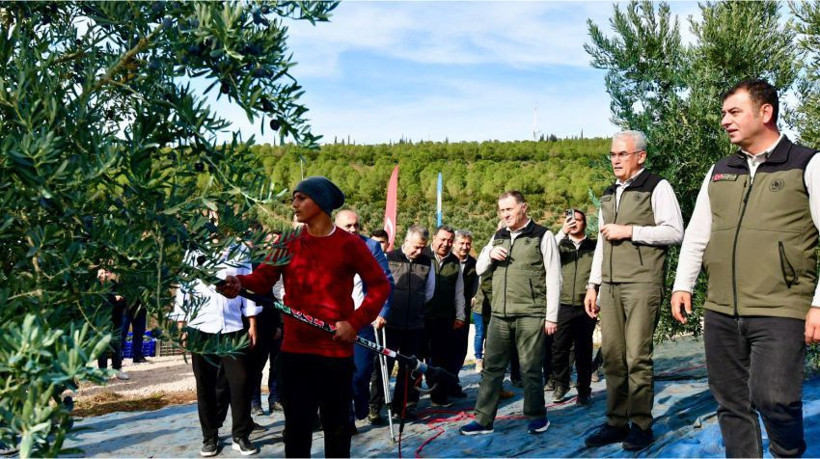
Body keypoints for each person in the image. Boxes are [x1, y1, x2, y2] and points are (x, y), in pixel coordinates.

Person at [671, 79, 820, 458]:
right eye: (724, 113)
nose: (725, 120)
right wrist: (682, 284)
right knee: (730, 401)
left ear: (765, 112)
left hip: (781, 307)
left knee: (774, 396)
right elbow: (697, 233)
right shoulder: (720, 170)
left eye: (734, 112)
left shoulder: (806, 164)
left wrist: (819, 303)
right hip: (721, 308)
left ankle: (788, 451)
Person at [219, 176, 390, 458]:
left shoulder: (350, 244)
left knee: (337, 429)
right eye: (294, 198)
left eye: (301, 198)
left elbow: (380, 285)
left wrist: (355, 322)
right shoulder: (288, 241)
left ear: (320, 202)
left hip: (336, 354)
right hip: (295, 353)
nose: (294, 204)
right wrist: (240, 282)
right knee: (297, 431)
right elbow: (263, 279)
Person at [584, 130, 684, 451]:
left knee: (637, 357)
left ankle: (641, 425)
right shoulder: (608, 193)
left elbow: (675, 232)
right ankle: (616, 422)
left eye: (622, 154)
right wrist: (593, 285)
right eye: (612, 154)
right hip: (611, 285)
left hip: (642, 282)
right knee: (612, 358)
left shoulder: (657, 186)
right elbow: (602, 243)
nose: (615, 160)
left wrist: (630, 231)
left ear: (640, 156)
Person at [460, 190, 561, 436]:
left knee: (530, 368)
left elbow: (554, 277)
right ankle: (483, 420)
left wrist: (551, 316)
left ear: (523, 207)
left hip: (531, 313)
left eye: (509, 209)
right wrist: (489, 253)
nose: (505, 214)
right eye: (502, 210)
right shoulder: (498, 235)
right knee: (491, 368)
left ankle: (537, 417)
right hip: (499, 314)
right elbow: (480, 268)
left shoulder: (542, 235)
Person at [171, 245, 260, 457]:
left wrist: (252, 322)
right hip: (201, 328)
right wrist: (182, 327)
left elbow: (247, 287)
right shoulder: (193, 251)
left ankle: (240, 435)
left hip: (233, 327)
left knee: (240, 381)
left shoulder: (240, 249)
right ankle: (210, 437)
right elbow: (184, 289)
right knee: (205, 384)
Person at [334, 209, 394, 429]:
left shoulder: (370, 246)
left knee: (360, 373)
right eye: (348, 226)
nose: (353, 230)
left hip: (361, 320)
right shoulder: (325, 246)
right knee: (337, 374)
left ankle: (361, 403)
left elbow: (385, 281)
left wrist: (381, 312)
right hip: (332, 321)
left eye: (356, 225)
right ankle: (346, 419)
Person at [369, 225, 435, 422]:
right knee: (383, 366)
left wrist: (417, 306)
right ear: (406, 241)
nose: (419, 251)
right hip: (389, 323)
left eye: (423, 247)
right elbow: (378, 287)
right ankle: (375, 406)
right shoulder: (388, 258)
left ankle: (403, 406)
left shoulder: (427, 262)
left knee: (409, 368)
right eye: (416, 246)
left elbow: (429, 292)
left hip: (414, 325)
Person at [551, 209, 596, 405]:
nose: (574, 223)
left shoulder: (594, 246)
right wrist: (562, 232)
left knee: (584, 350)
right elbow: (544, 252)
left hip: (586, 305)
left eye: (578, 219)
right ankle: (561, 384)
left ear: (585, 223)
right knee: (559, 348)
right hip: (562, 304)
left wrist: (598, 300)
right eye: (570, 219)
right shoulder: (560, 244)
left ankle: (584, 389)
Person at [422, 225, 466, 405]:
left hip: (443, 318)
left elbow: (459, 291)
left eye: (450, 241)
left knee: (440, 359)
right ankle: (409, 401)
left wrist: (460, 315)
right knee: (416, 360)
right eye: (442, 239)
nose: (446, 244)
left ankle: (438, 397)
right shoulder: (422, 255)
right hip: (420, 318)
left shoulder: (455, 262)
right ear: (434, 238)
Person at [452, 230, 478, 382]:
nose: (464, 247)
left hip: (464, 312)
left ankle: (453, 378)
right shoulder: (447, 261)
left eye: (468, 244)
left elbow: (475, 288)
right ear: (454, 244)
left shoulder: (473, 264)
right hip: (445, 311)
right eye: (461, 243)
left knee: (460, 347)